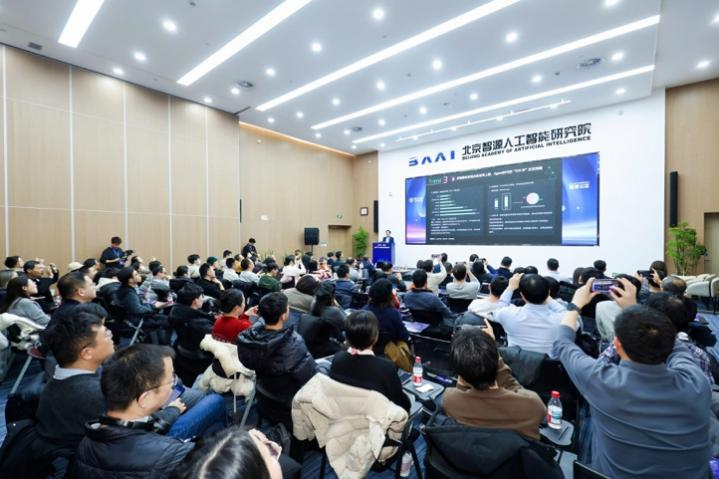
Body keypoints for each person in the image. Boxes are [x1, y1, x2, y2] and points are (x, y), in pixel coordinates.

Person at [553, 278, 711, 478]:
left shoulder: (600, 380)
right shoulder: (696, 381)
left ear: (617, 344)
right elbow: (673, 343)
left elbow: (562, 343)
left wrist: (575, 304)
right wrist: (635, 308)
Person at [70, 345, 195, 479]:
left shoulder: (86, 442)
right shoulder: (172, 455)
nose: (173, 385)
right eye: (171, 380)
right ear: (145, 398)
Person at [443, 321, 546, 439]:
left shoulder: (449, 400)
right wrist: (491, 349)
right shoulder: (532, 404)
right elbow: (514, 387)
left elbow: (461, 386)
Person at [36, 304, 115, 454]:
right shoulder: (95, 393)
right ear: (87, 353)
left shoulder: (59, 377)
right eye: (107, 335)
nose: (111, 338)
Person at [599, 291, 715, 384]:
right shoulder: (698, 354)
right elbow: (706, 392)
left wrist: (636, 318)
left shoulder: (623, 344)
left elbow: (599, 371)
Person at [237, 293, 317, 425]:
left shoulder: (249, 339)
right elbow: (309, 379)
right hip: (287, 405)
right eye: (287, 307)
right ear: (284, 315)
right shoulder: (294, 345)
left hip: (263, 394)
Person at [330, 311, 410, 411]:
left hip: (345, 412)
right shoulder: (386, 368)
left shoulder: (338, 358)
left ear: (347, 337)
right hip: (376, 417)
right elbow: (403, 405)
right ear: (375, 337)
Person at [492, 273, 567, 355]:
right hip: (550, 363)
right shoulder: (561, 320)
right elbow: (567, 313)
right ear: (549, 293)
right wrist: (546, 296)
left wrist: (510, 288)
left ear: (522, 296)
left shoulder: (509, 315)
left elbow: (498, 309)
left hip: (514, 362)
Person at [168, 283, 214, 372]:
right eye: (202, 296)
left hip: (181, 355)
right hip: (199, 361)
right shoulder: (199, 324)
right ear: (195, 301)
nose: (203, 298)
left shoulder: (176, 312)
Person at [297, 282, 347, 358]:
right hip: (328, 343)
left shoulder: (313, 306)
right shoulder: (334, 311)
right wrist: (337, 304)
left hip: (313, 344)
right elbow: (347, 323)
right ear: (332, 297)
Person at [363, 279, 410, 354]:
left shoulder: (364, 310)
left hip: (366, 349)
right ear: (389, 296)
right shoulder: (393, 313)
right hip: (389, 353)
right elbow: (404, 336)